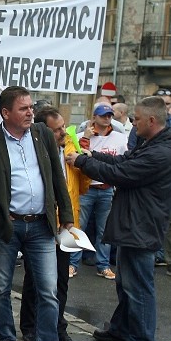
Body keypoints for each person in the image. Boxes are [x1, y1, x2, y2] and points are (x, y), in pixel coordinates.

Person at [0, 86, 74, 341]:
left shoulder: (42, 134)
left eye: (31, 107)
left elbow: (57, 176)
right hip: (7, 226)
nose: (31, 112)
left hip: (41, 225)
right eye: (23, 108)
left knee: (48, 291)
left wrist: (65, 215)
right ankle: (5, 340)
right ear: (6, 113)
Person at [68, 96, 171, 341]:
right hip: (133, 223)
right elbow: (124, 161)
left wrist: (83, 163)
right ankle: (121, 329)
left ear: (151, 120)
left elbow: (122, 174)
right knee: (126, 282)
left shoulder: (161, 152)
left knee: (139, 286)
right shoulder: (151, 143)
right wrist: (94, 155)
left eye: (136, 119)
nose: (132, 124)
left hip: (142, 225)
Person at [19, 106, 87, 341]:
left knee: (61, 281)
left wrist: (82, 161)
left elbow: (83, 187)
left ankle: (59, 329)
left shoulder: (70, 150)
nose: (64, 134)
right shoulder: (34, 153)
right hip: (42, 225)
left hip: (66, 227)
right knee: (35, 279)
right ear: (43, 131)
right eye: (57, 130)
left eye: (63, 128)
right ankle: (29, 326)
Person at [69, 103, 127, 280]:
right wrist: (85, 137)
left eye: (109, 115)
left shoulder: (120, 138)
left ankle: (103, 265)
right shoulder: (81, 136)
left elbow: (123, 162)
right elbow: (72, 157)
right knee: (79, 227)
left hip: (107, 189)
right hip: (86, 189)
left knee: (104, 230)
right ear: (93, 117)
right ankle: (72, 263)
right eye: (103, 115)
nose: (107, 118)